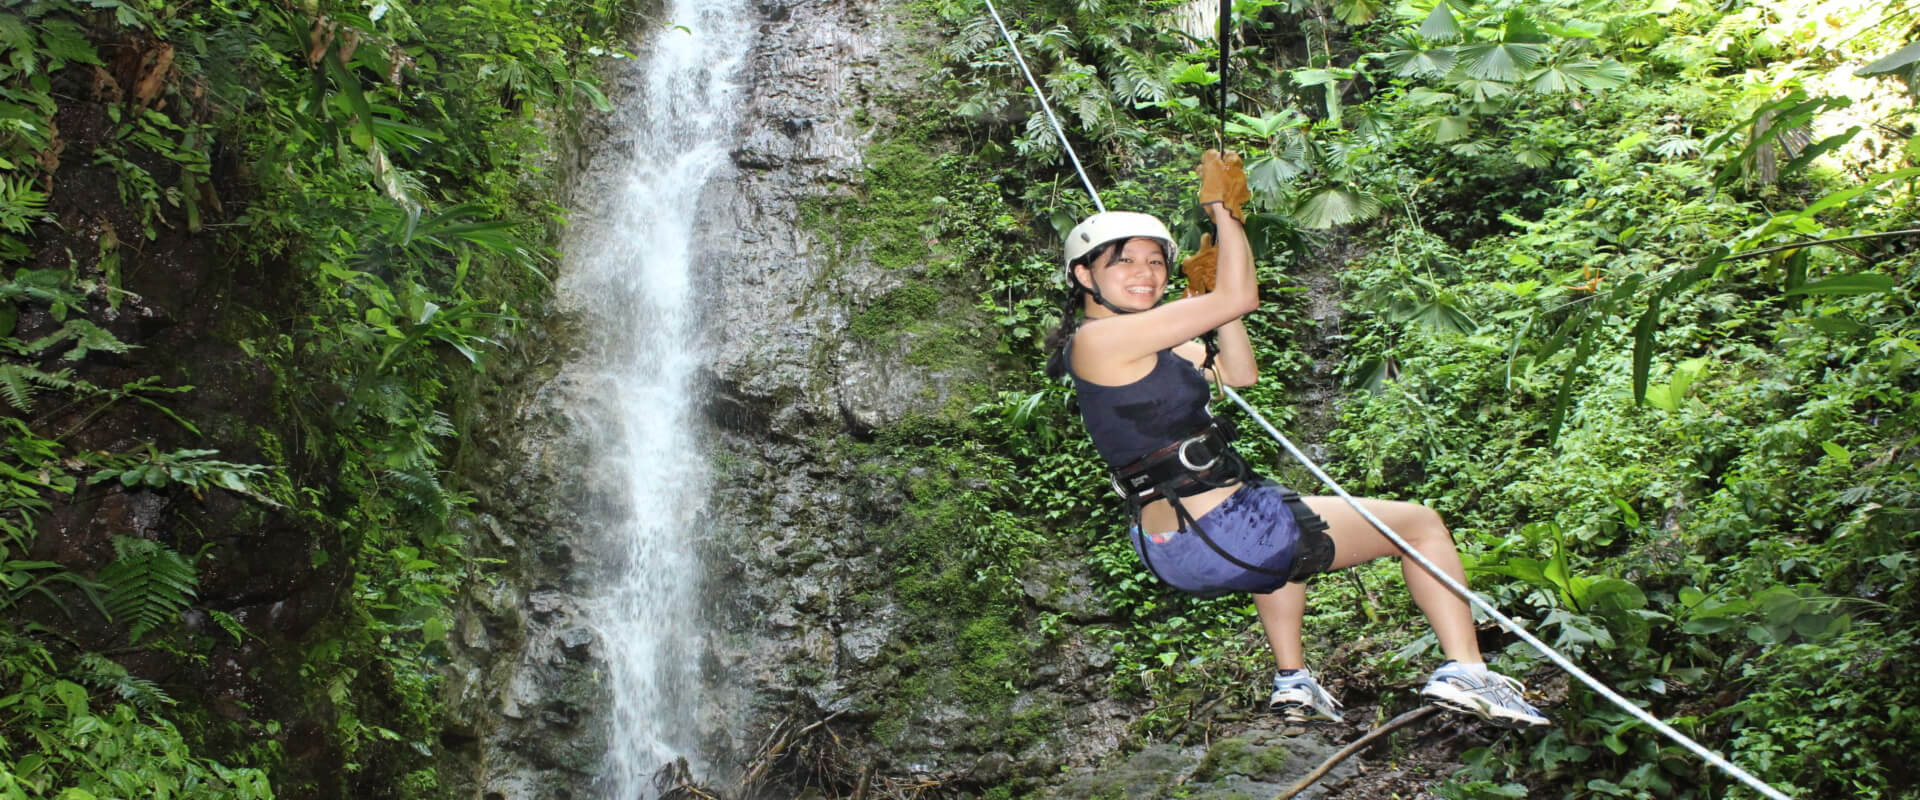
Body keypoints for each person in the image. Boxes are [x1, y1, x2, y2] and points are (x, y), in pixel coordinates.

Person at [1043, 150, 1549, 728]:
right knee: (1420, 524)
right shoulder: (1098, 343)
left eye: (1157, 262)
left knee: (1283, 527)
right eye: (1124, 262)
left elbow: (1239, 373)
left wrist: (1213, 303)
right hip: (1226, 531)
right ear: (1085, 276)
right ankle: (1468, 671)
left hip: (1181, 549)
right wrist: (1224, 215)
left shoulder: (1135, 344)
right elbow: (1242, 295)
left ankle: (1294, 681)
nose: (1147, 273)